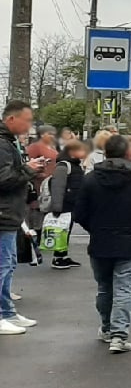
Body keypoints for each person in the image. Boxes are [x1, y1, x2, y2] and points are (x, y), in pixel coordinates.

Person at [72, 134, 131, 353]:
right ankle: (119, 337)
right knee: (124, 289)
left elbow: (80, 213)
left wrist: (95, 228)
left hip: (100, 242)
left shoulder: (91, 178)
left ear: (106, 152)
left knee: (104, 287)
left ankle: (106, 328)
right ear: (127, 153)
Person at [0, 100, 51, 335]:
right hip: (3, 214)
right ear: (11, 119)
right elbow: (4, 179)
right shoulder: (2, 144)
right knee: (2, 266)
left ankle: (7, 312)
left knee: (8, 264)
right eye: (27, 120)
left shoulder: (10, 142)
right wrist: (29, 168)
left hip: (10, 213)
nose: (29, 125)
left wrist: (29, 168)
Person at [47, 138, 88, 270]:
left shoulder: (74, 165)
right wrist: (57, 208)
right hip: (64, 206)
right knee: (61, 231)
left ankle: (63, 255)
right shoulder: (64, 165)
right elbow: (58, 187)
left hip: (72, 204)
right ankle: (58, 258)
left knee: (66, 231)